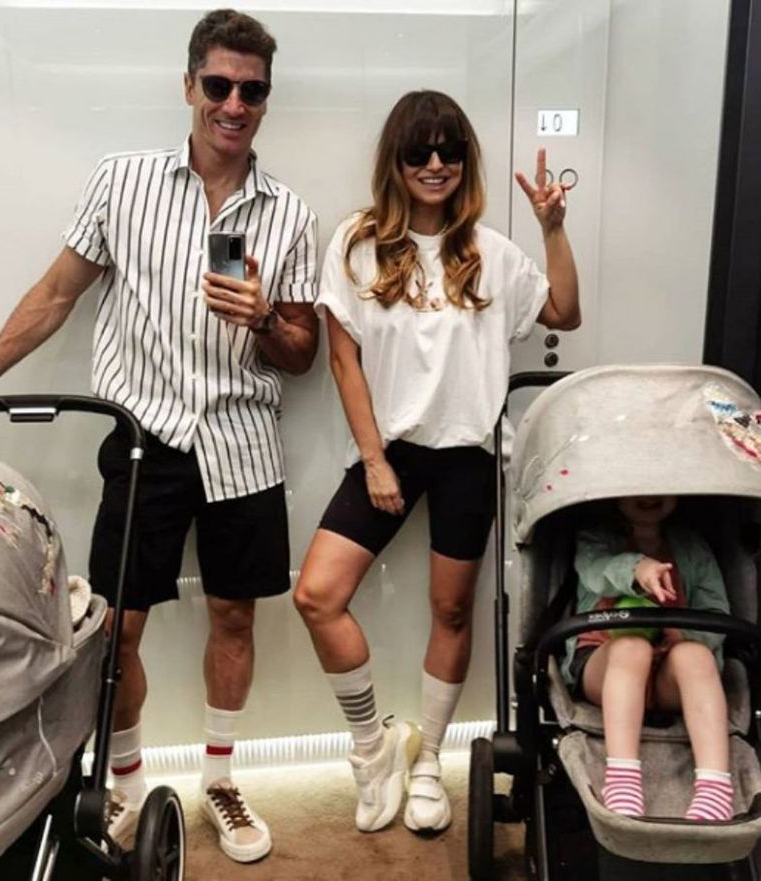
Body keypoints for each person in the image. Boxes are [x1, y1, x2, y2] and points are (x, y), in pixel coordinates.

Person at [0, 9, 318, 864]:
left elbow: (303, 352)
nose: (234, 104)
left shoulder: (289, 213)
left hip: (243, 442)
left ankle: (221, 779)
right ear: (189, 84)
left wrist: (264, 317)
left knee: (234, 614)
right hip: (145, 439)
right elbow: (57, 293)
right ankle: (124, 782)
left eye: (252, 91)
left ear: (265, 100)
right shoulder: (122, 181)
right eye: (220, 85)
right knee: (116, 627)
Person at [293, 89, 580, 835]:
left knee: (451, 610)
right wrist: (373, 460)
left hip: (466, 457)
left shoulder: (492, 252)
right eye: (418, 150)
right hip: (387, 449)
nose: (434, 163)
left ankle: (428, 760)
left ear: (464, 161)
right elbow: (344, 361)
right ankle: (372, 746)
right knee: (317, 595)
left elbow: (564, 312)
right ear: (395, 159)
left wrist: (552, 229)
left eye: (449, 150)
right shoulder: (356, 242)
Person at [561, 495, 733, 821]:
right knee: (632, 647)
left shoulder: (692, 547)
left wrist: (682, 634)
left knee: (696, 654)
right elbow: (596, 572)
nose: (649, 498)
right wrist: (637, 568)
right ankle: (623, 779)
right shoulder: (595, 538)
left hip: (669, 670)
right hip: (606, 663)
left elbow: (716, 613)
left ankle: (715, 788)